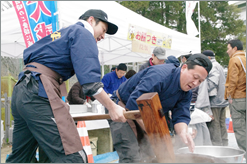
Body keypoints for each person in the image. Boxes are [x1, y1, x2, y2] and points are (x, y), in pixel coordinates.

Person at [6, 9, 126, 163]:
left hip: (22, 89)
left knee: (21, 157)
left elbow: (29, 55)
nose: (103, 36)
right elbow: (90, 83)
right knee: (71, 155)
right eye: (103, 30)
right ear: (91, 20)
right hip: (39, 90)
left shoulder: (63, 33)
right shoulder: (83, 33)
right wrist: (112, 107)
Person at [109, 53, 212, 163]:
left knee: (153, 155)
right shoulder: (160, 75)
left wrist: (183, 132)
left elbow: (181, 116)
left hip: (148, 115)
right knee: (131, 156)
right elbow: (134, 104)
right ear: (184, 68)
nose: (196, 83)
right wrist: (155, 134)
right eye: (195, 77)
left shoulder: (186, 93)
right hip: (123, 108)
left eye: (200, 81)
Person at [202, 50, 229, 146]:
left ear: (208, 58)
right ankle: (225, 145)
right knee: (222, 125)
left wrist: (202, 88)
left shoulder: (212, 66)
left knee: (215, 126)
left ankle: (217, 146)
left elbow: (213, 82)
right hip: (222, 100)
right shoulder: (219, 65)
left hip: (215, 101)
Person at [225, 39, 246, 151]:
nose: (227, 51)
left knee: (240, 129)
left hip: (237, 98)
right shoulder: (244, 58)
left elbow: (233, 80)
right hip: (245, 96)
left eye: (228, 48)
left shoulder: (234, 59)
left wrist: (230, 96)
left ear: (235, 48)